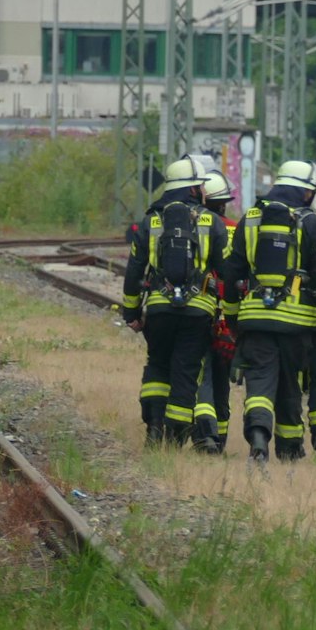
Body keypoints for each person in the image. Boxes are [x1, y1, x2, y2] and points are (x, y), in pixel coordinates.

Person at [218, 159, 316, 463]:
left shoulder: (250, 219)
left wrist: (232, 318)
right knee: (289, 386)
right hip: (297, 324)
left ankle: (258, 439)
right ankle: (289, 450)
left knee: (258, 382)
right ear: (303, 192)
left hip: (255, 320)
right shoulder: (312, 223)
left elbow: (232, 272)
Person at [120, 156, 224, 448]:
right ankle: (175, 438)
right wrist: (228, 312)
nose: (204, 191)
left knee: (157, 364)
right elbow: (227, 270)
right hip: (198, 311)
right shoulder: (210, 221)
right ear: (192, 189)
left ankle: (154, 427)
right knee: (186, 369)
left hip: (159, 309)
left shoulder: (151, 220)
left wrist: (132, 311)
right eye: (201, 186)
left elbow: (134, 270)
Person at [192, 170, 239, 455]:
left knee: (202, 372)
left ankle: (204, 432)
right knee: (222, 376)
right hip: (229, 316)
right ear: (223, 202)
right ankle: (219, 438)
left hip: (200, 309)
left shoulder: (190, 225)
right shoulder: (235, 228)